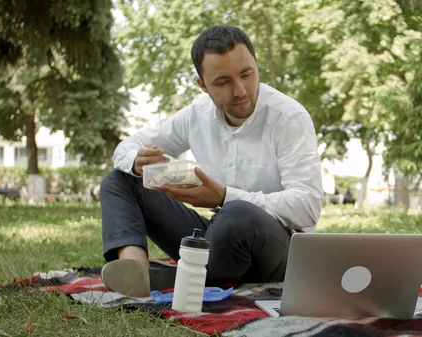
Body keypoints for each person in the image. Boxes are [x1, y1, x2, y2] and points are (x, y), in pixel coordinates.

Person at [99, 25, 323, 297]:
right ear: (202, 85)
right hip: (221, 238)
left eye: (246, 74)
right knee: (119, 180)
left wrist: (224, 197)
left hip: (279, 247)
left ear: (256, 65)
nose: (240, 90)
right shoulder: (196, 115)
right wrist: (137, 160)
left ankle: (171, 278)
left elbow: (308, 206)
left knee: (238, 213)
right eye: (223, 82)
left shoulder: (289, 118)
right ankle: (135, 270)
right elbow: (127, 147)